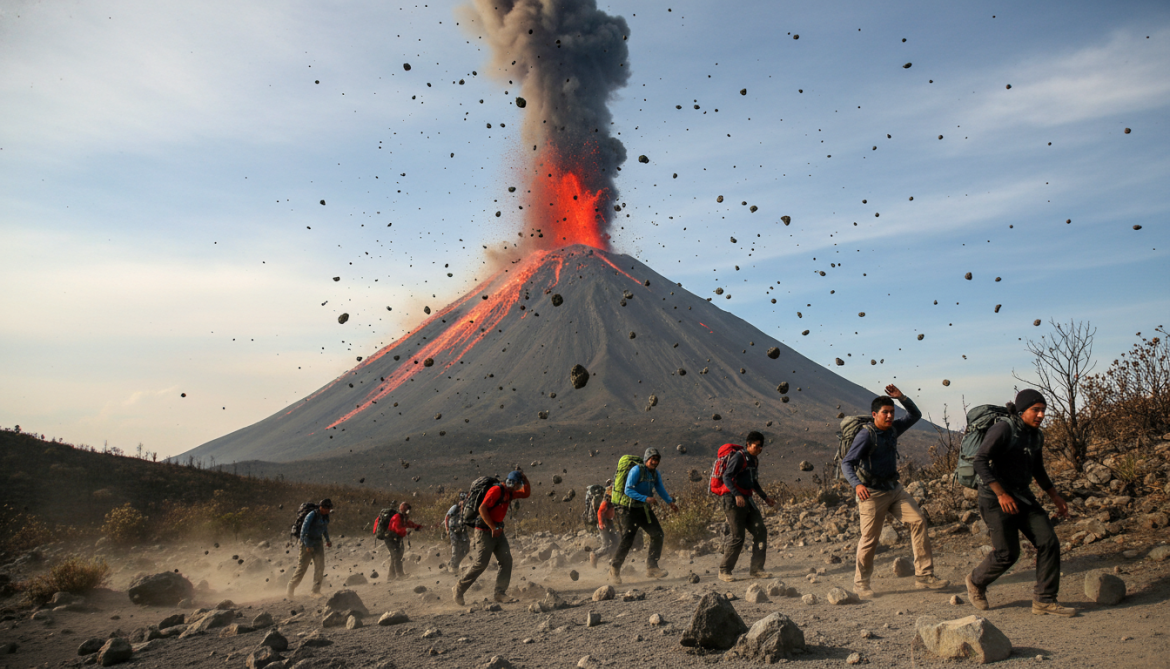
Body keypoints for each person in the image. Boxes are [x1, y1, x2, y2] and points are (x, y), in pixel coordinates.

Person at [966, 389, 1075, 616]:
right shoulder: (1004, 428)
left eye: (1043, 410)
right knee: (1008, 553)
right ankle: (976, 582)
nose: (1041, 415)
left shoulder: (1036, 435)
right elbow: (980, 460)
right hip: (995, 498)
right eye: (1036, 410)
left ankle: (1044, 600)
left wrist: (1055, 496)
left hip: (1022, 496)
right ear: (1023, 410)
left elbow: (1038, 468)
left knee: (1048, 542)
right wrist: (1000, 494)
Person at [842, 385, 949, 598]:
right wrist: (857, 484)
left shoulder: (892, 429)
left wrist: (902, 398)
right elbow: (847, 462)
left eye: (892, 412)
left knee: (918, 521)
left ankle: (924, 576)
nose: (890, 416)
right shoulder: (866, 436)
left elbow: (915, 415)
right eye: (885, 412)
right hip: (871, 493)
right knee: (870, 538)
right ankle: (861, 583)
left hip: (894, 489)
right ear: (875, 415)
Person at [453, 470, 531, 605]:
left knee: (506, 560)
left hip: (498, 530)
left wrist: (525, 478)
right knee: (481, 563)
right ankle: (459, 588)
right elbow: (482, 509)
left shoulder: (509, 492)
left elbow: (526, 493)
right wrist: (492, 527)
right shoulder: (496, 491)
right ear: (511, 482)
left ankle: (500, 593)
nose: (519, 488)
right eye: (518, 484)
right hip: (484, 531)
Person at [610, 448, 678, 584]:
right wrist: (645, 498)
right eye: (653, 459)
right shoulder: (637, 470)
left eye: (657, 460)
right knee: (627, 539)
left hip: (643, 509)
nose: (655, 462)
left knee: (657, 534)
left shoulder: (655, 474)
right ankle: (614, 569)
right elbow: (628, 489)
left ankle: (652, 567)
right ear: (647, 459)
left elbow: (660, 489)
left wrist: (670, 502)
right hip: (628, 509)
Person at [718, 431, 777, 582]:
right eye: (757, 446)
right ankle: (724, 570)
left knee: (760, 531)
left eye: (761, 446)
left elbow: (753, 482)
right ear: (748, 445)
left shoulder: (754, 460)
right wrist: (737, 494)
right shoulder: (739, 457)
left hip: (747, 499)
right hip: (732, 500)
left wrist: (765, 498)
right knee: (738, 536)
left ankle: (757, 569)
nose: (759, 448)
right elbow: (726, 476)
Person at [287, 498, 333, 598]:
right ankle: (291, 587)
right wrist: (307, 545)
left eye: (329, 508)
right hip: (307, 543)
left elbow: (324, 528)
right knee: (302, 567)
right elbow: (304, 531)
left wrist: (327, 540)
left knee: (320, 567)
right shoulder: (312, 515)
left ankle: (315, 591)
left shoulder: (325, 516)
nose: (329, 510)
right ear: (321, 507)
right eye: (327, 508)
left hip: (318, 543)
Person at [383, 501, 423, 580]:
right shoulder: (397, 517)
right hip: (390, 538)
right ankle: (399, 575)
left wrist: (423, 527)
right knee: (396, 555)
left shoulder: (404, 518)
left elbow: (412, 525)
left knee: (396, 555)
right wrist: (406, 530)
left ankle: (391, 576)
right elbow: (397, 529)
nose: (408, 512)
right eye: (407, 510)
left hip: (396, 539)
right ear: (404, 509)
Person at [590, 484, 618, 568]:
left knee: (616, 542)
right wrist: (601, 524)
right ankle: (595, 555)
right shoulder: (605, 503)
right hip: (604, 524)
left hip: (609, 522)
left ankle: (612, 560)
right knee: (605, 545)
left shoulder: (611, 503)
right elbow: (600, 512)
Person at [444, 493, 471, 572]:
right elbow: (447, 517)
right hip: (454, 529)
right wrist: (447, 530)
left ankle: (456, 563)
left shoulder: (468, 508)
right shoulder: (455, 507)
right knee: (455, 548)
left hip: (462, 529)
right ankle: (452, 566)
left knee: (466, 548)